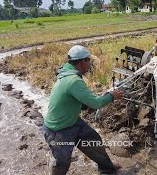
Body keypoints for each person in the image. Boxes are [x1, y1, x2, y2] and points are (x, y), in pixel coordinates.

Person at [42, 45, 123, 175]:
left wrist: (85, 106)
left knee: (94, 141)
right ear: (82, 62)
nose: (90, 64)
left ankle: (107, 169)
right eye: (88, 61)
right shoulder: (73, 80)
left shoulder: (67, 72)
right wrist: (112, 96)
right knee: (62, 163)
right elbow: (97, 103)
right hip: (58, 130)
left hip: (73, 121)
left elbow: (71, 98)